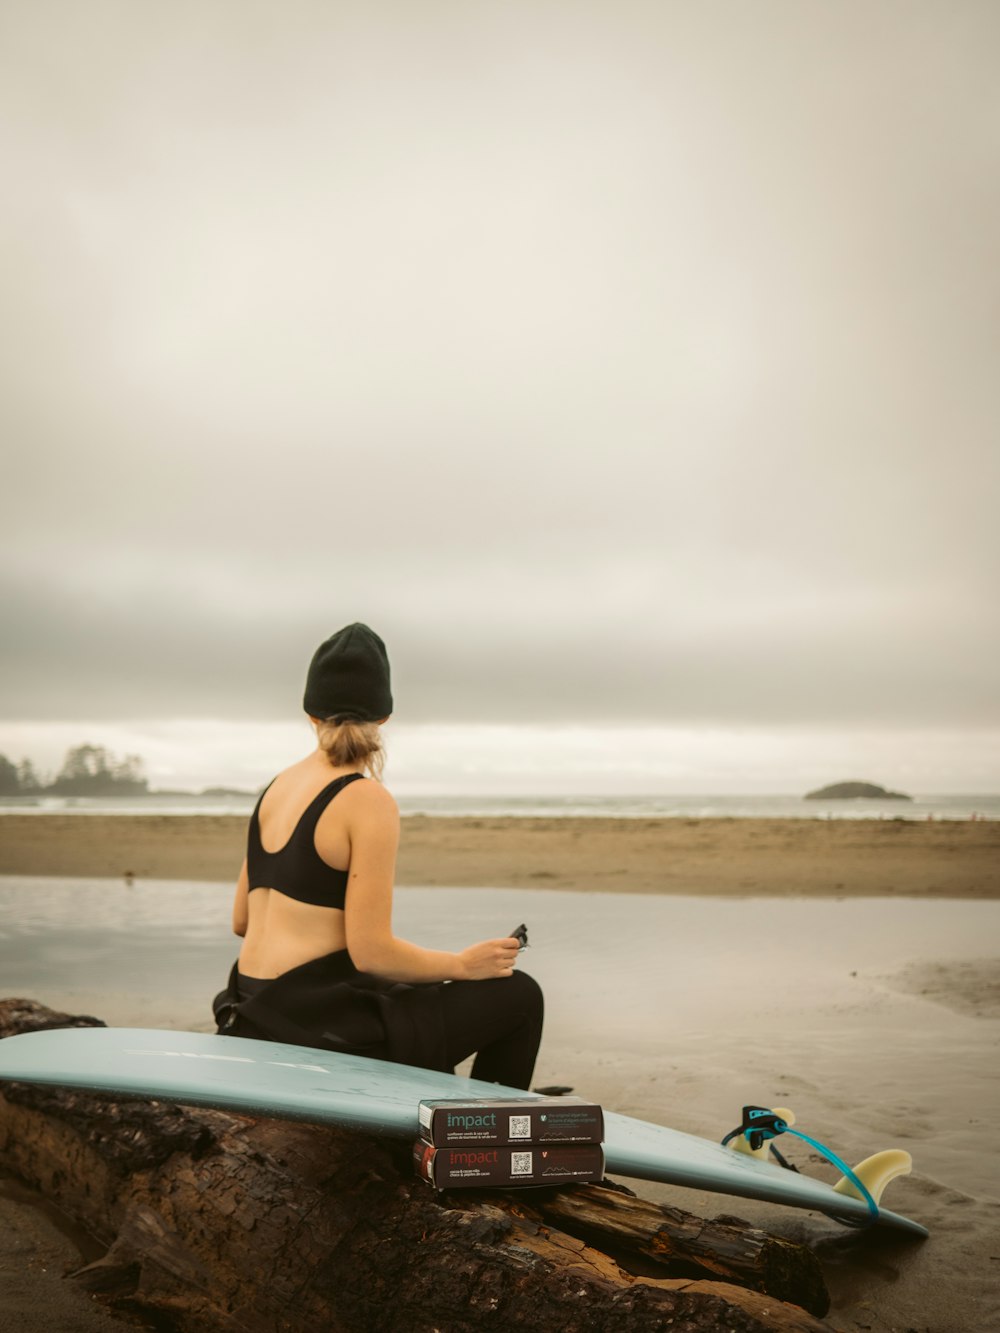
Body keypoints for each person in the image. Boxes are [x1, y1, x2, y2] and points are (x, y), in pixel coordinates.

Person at [212, 622, 543, 1089]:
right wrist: (462, 965)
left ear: (310, 713)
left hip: (251, 1010)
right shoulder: (366, 799)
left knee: (411, 992)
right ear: (384, 717)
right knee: (520, 995)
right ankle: (487, 1144)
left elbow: (242, 922)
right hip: (315, 1030)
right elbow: (370, 953)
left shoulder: (275, 788)